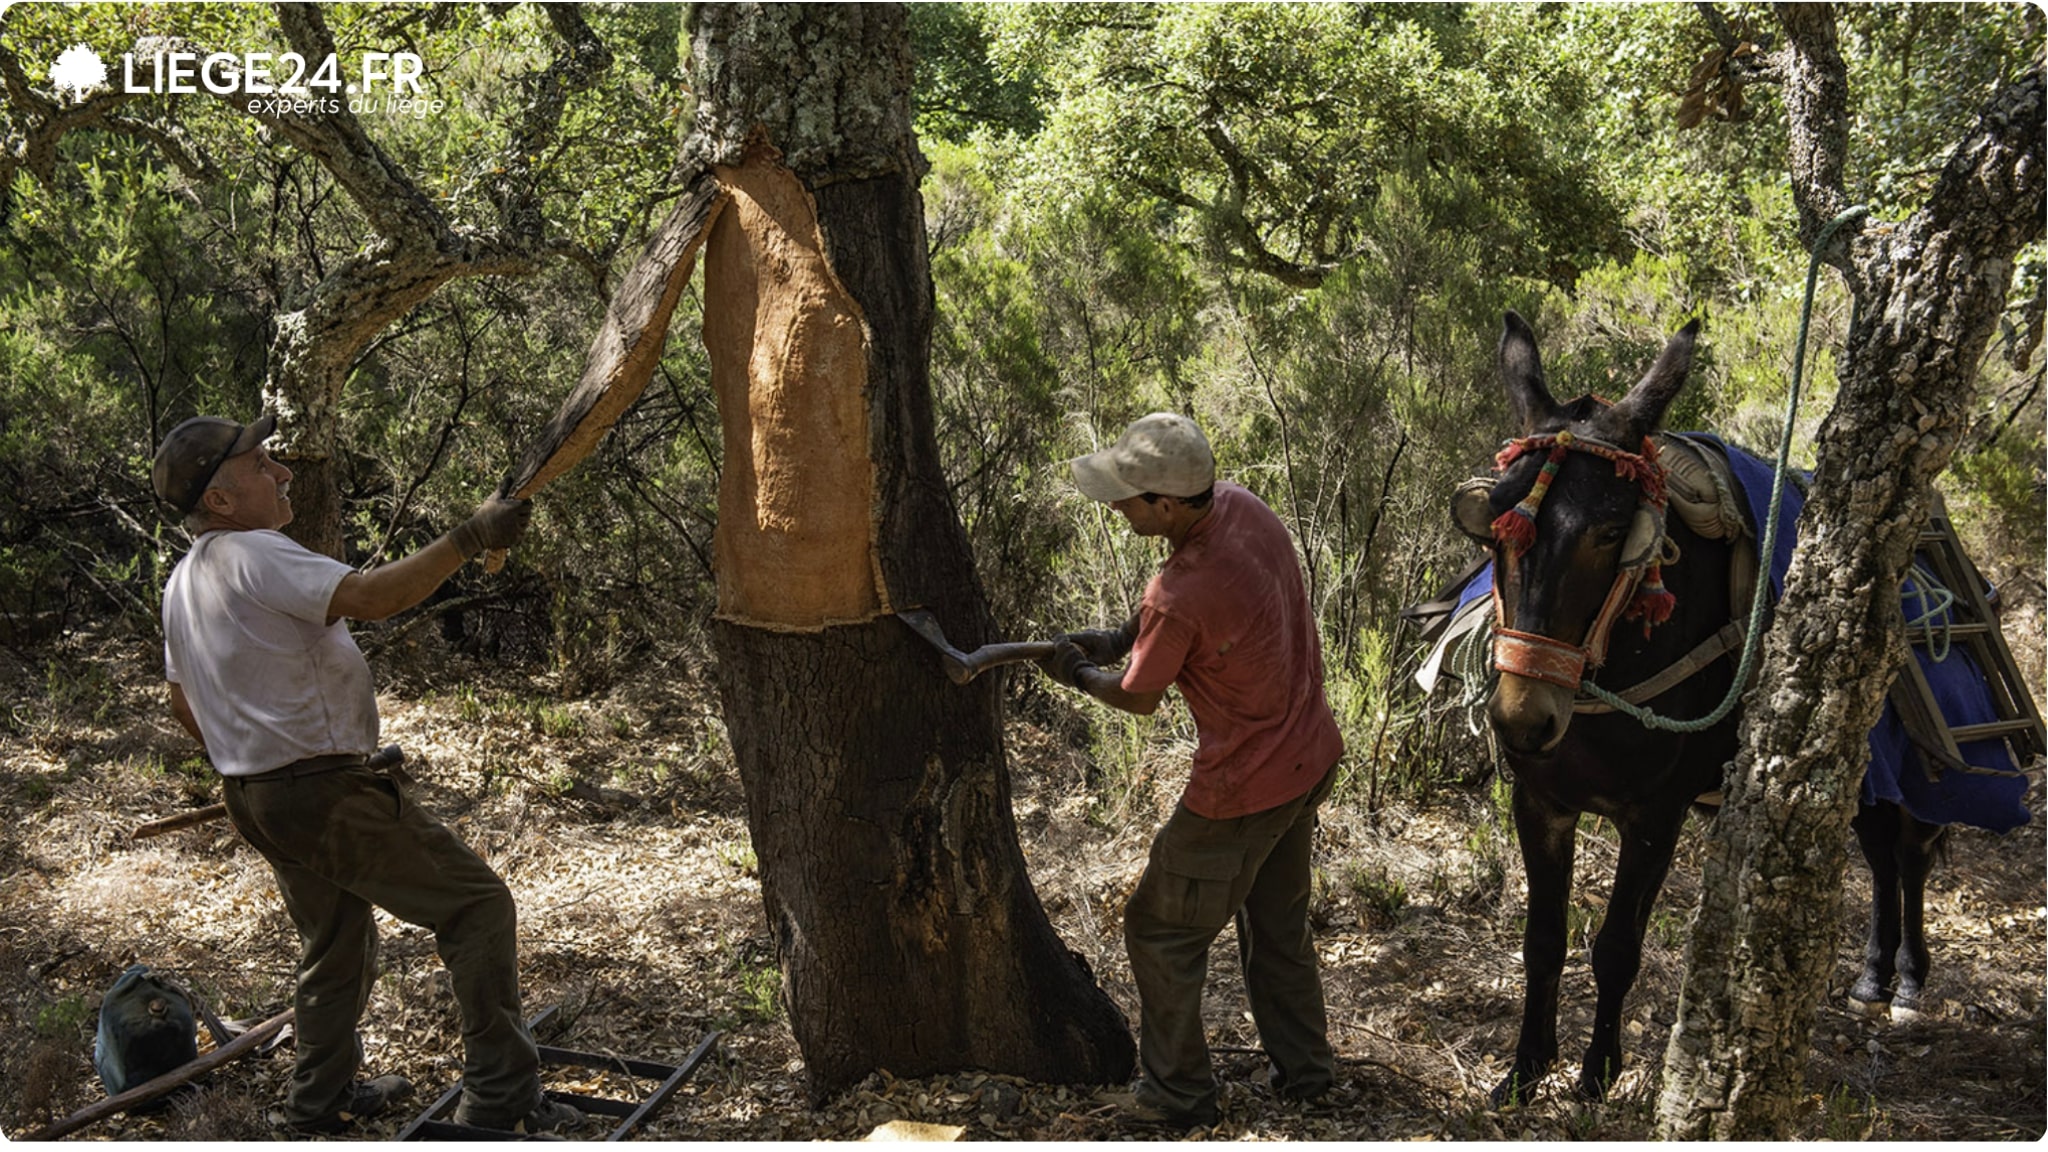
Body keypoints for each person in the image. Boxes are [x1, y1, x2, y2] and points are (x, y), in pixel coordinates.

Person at [152, 413, 578, 1135]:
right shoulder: (256, 554)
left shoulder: (183, 582)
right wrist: (469, 538)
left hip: (256, 796)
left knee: (335, 939)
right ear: (220, 501)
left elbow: (179, 698)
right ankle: (503, 1102)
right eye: (261, 466)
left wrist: (250, 750)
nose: (281, 472)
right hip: (316, 792)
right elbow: (375, 597)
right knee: (476, 906)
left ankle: (318, 1104)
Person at [1039, 412, 1343, 1129]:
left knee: (1159, 929)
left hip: (1242, 790)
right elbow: (1205, 625)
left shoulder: (1178, 594)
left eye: (1128, 497)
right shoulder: (1243, 507)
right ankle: (1307, 1075)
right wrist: (1123, 637)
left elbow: (1139, 699)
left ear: (1167, 506)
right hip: (1308, 759)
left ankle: (1178, 1096)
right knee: (1277, 929)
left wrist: (1081, 671)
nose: (1116, 507)